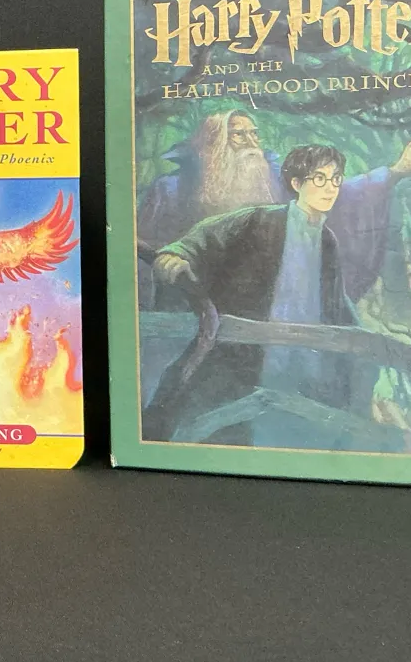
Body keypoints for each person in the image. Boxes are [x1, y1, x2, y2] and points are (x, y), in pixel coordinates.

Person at [147, 144, 368, 448]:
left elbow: (336, 302)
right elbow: (205, 237)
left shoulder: (328, 241)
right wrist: (177, 253)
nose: (330, 187)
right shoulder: (260, 219)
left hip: (305, 361)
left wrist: (365, 343)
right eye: (319, 178)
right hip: (250, 354)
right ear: (296, 183)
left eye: (336, 179)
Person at [137, 110, 411, 304]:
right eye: (239, 135)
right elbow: (143, 246)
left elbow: (337, 192)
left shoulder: (275, 179)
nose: (252, 142)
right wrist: (171, 259)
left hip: (271, 301)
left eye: (254, 134)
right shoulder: (171, 189)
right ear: (213, 144)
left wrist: (395, 172)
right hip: (193, 300)